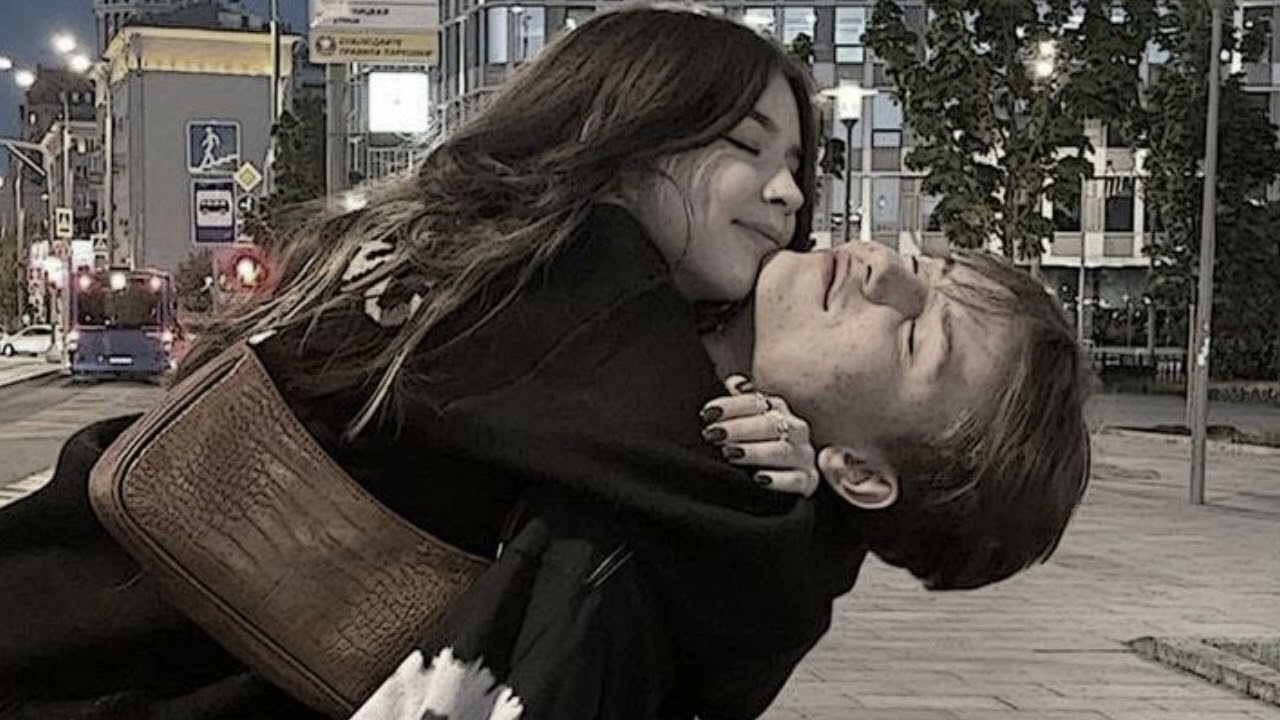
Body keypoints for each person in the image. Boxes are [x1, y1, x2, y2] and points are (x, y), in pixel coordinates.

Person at [1, 7, 842, 720]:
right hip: (115, 664)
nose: (789, 195)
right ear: (628, 137)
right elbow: (732, 556)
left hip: (78, 613)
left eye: (797, 167)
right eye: (748, 147)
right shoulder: (569, 280)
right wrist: (802, 485)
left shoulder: (448, 242)